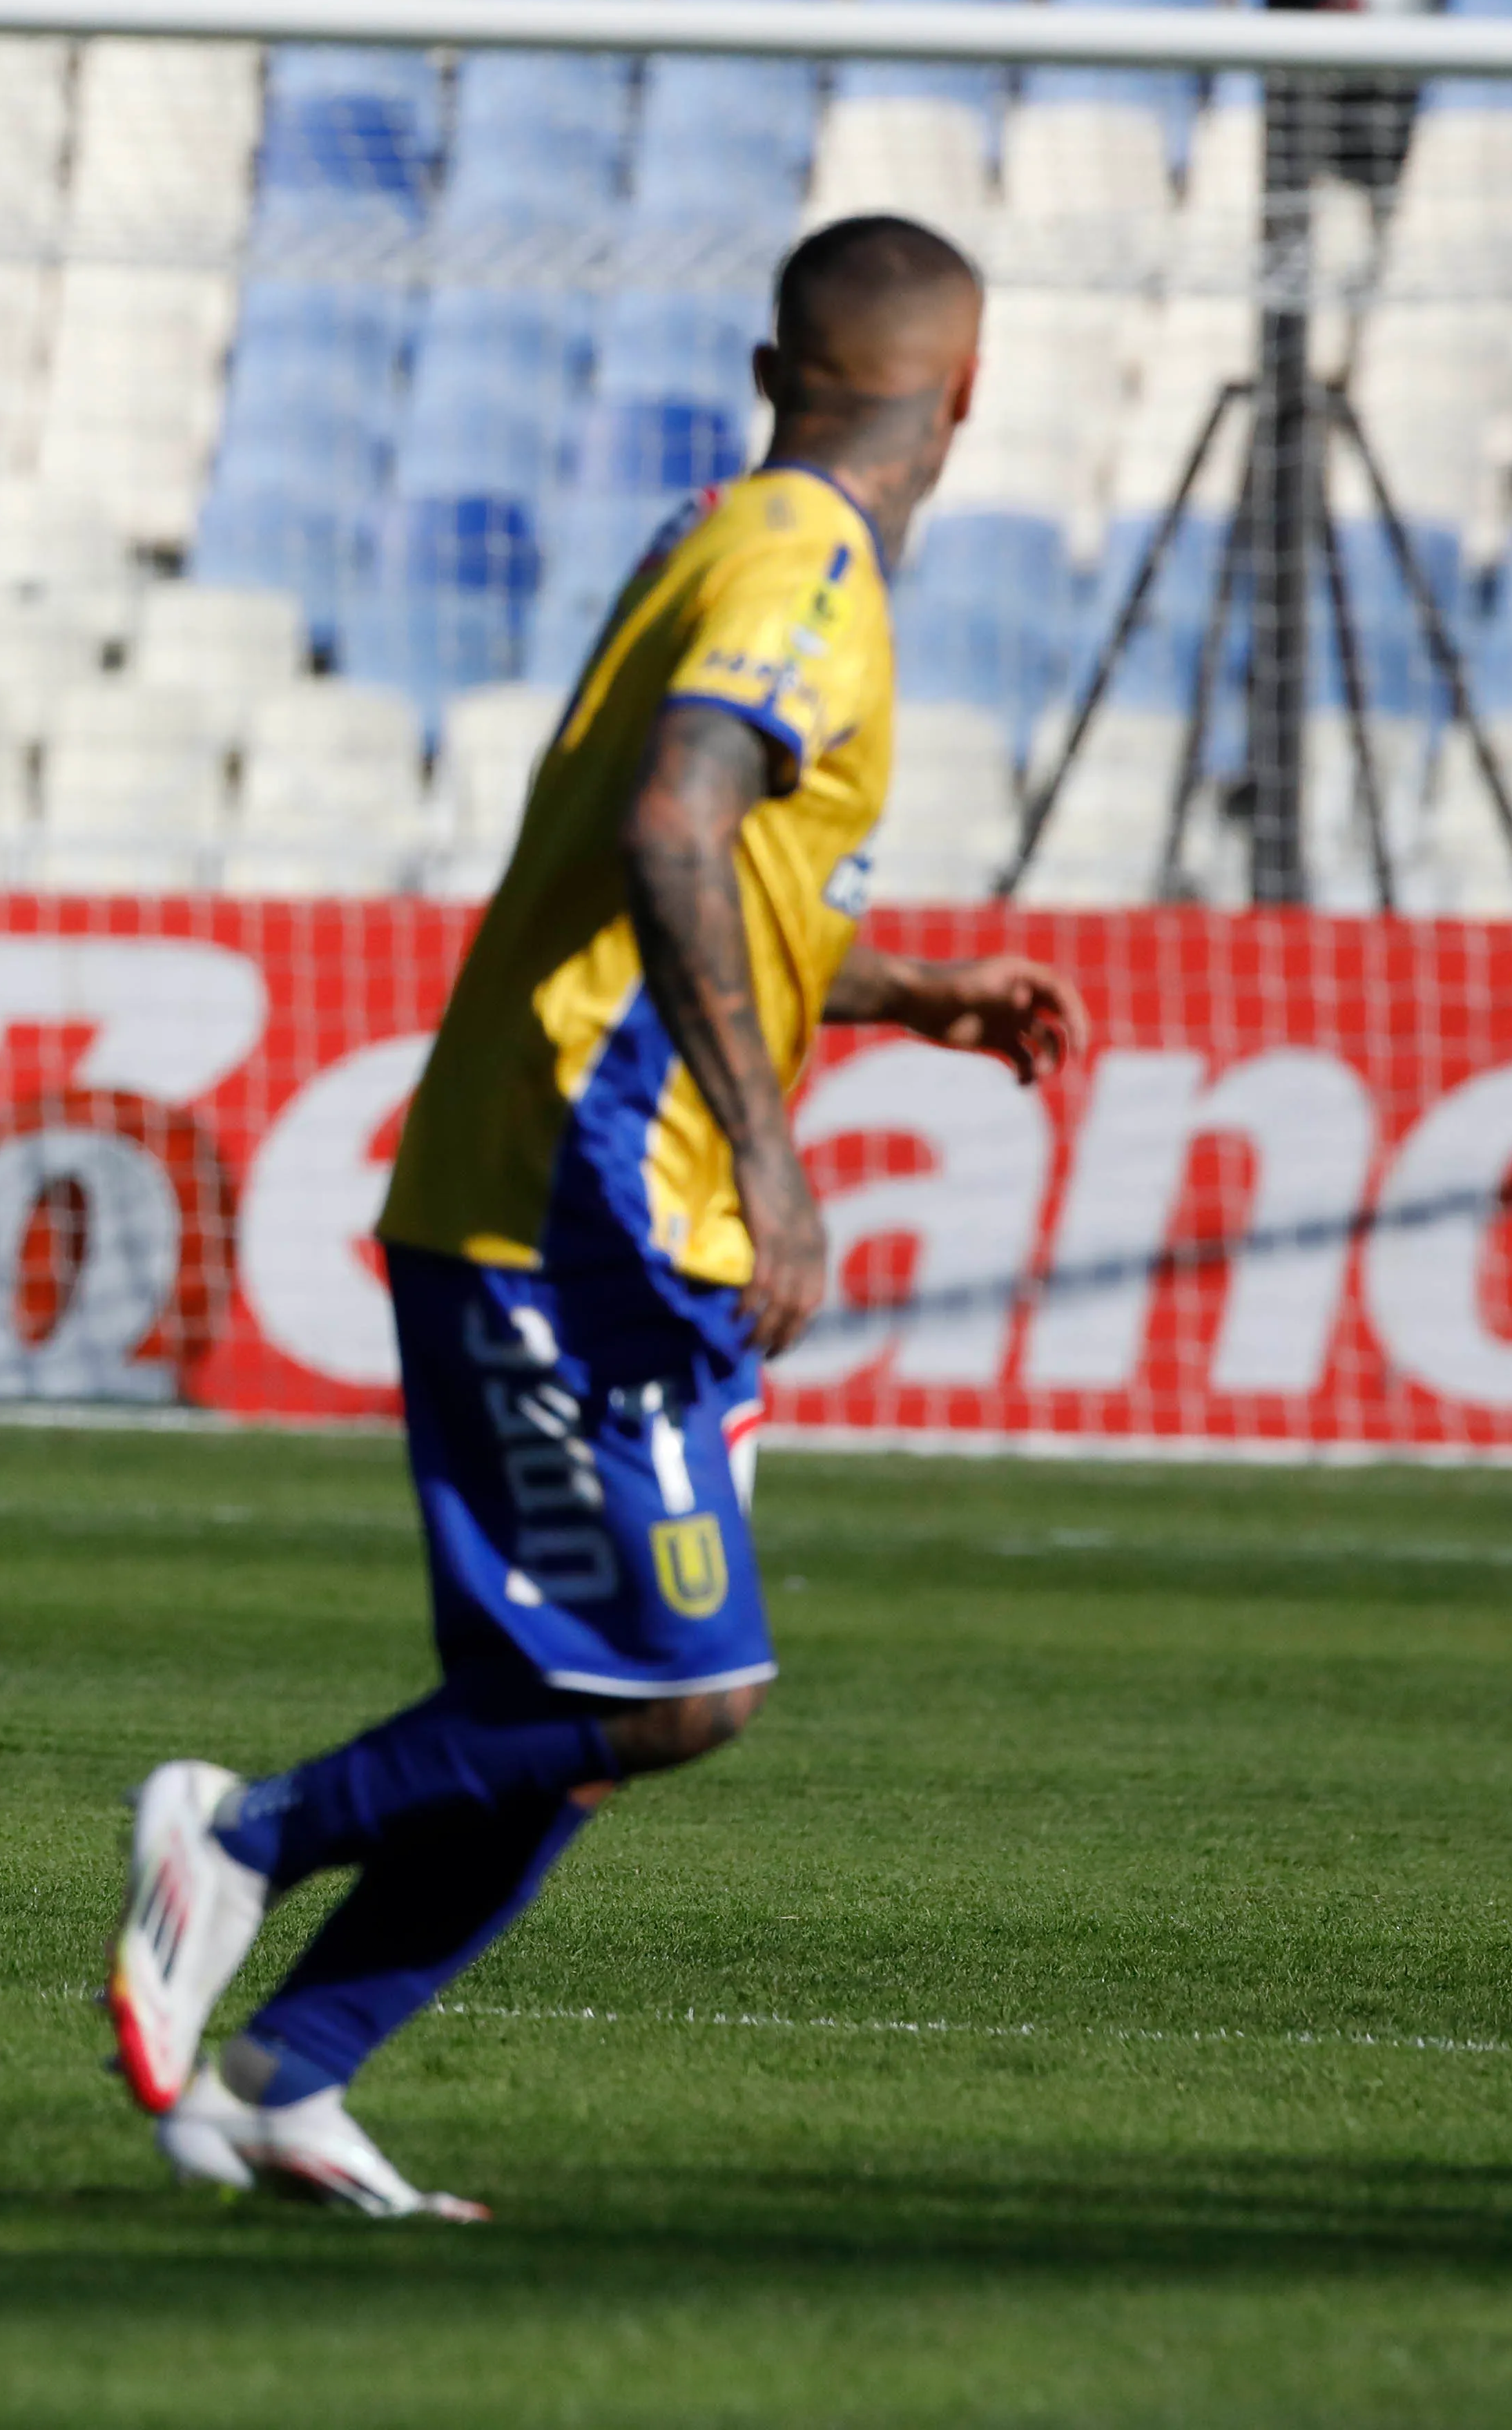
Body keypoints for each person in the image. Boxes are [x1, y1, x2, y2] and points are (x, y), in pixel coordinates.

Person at [105, 215, 1092, 2216]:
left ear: (772, 371)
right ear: (968, 392)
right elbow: (670, 824)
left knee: (565, 1711)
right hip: (585, 1193)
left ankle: (291, 2075)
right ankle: (243, 1837)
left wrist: (905, 992)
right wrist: (778, 1152)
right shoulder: (807, 568)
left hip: (608, 1195)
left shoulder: (722, 535)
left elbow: (705, 871)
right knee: (673, 1684)